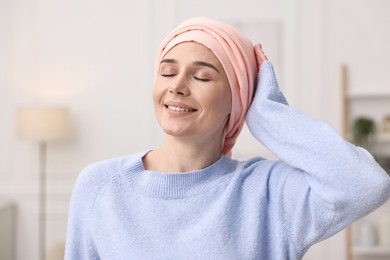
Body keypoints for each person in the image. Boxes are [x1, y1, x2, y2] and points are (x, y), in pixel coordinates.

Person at [65, 17, 390, 259]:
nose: (177, 85)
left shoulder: (268, 193)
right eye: (167, 72)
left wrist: (267, 113)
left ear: (237, 99)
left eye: (202, 76)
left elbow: (366, 183)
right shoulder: (100, 186)